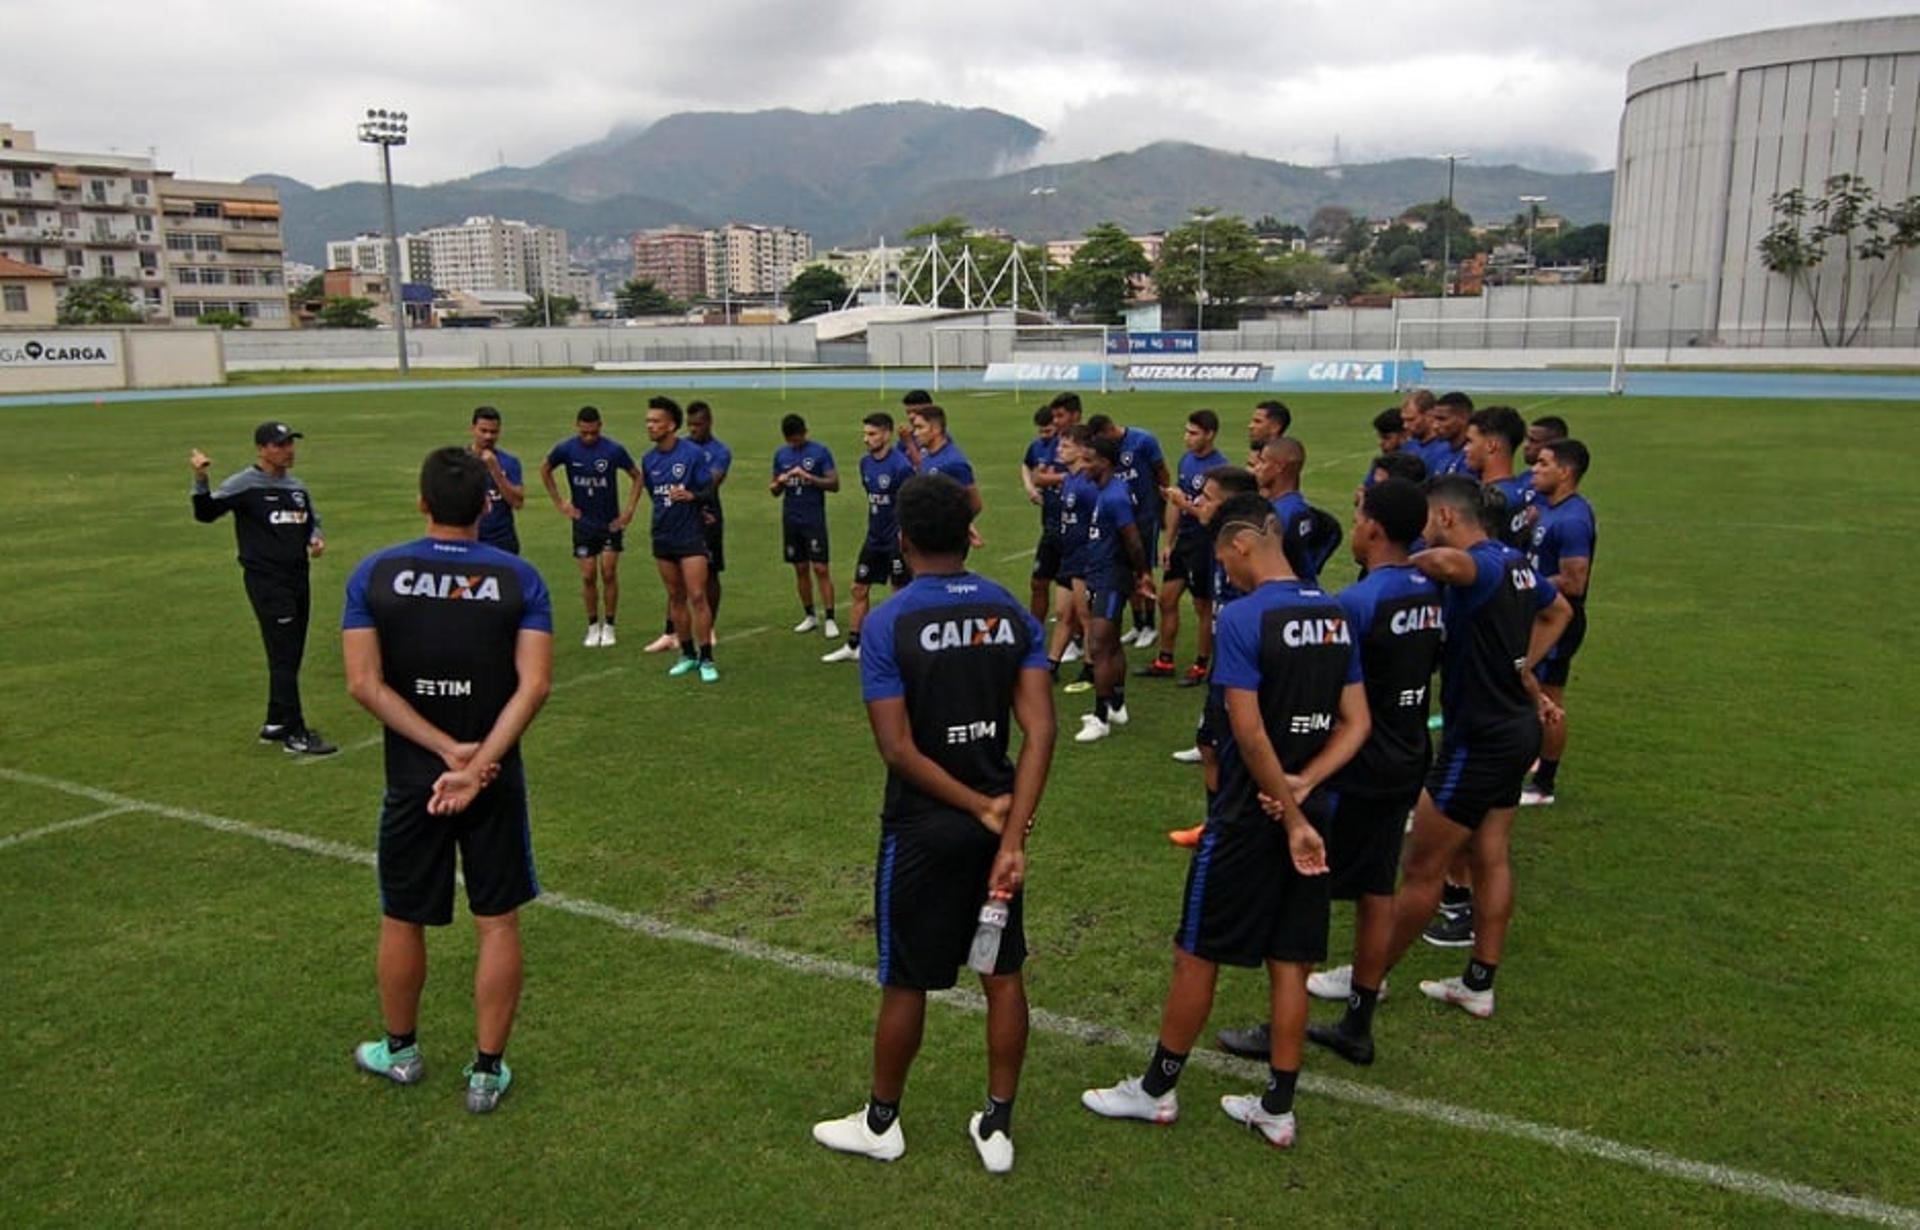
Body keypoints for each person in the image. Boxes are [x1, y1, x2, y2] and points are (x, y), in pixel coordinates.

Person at [1081, 491, 1368, 1150]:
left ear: (1241, 545)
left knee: (1197, 951)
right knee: (1290, 961)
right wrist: (1306, 788)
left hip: (1248, 817)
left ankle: (1156, 1090)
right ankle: (1278, 1105)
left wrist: (1286, 807)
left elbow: (1250, 731)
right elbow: (1359, 723)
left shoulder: (1243, 620)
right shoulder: (1334, 613)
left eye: (1222, 557)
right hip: (1313, 810)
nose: (1225, 572)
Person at [812, 472, 1055, 1174]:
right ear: (966, 534)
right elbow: (1041, 733)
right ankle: (998, 1126)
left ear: (904, 539)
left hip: (922, 828)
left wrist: (978, 808)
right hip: (998, 825)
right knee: (1002, 974)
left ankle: (882, 1122)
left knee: (907, 979)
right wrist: (1007, 834)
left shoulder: (889, 620)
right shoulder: (1011, 611)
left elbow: (897, 748)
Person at [342, 447, 553, 1114]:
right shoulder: (520, 579)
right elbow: (534, 685)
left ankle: (399, 1053)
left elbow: (363, 684)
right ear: (487, 505)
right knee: (497, 922)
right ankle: (487, 1072)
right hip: (493, 780)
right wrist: (480, 762)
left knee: (404, 917)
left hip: (414, 781)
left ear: (423, 503)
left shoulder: (375, 573)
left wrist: (443, 753)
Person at [1336, 477, 1570, 1056]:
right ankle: (1478, 984)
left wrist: (1397, 559)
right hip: (1516, 727)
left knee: (1422, 867)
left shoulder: (1481, 565)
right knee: (1489, 854)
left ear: (1443, 515)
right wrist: (1520, 667)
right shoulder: (1516, 562)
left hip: (1480, 740)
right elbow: (1557, 610)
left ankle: (1370, 976)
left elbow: (1448, 563)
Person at [1217, 479, 1445, 1063]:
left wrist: (1303, 781)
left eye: (1358, 512)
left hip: (1352, 768)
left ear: (1372, 528)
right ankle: (1357, 1020)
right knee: (1376, 887)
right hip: (1408, 753)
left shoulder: (1358, 603)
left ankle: (1281, 1029)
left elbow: (1335, 695)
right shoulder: (1429, 589)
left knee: (1302, 900)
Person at [190, 421, 336, 756]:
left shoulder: (297, 487)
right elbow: (206, 513)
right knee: (284, 654)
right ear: (262, 449)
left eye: (290, 443)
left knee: (291, 653)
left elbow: (312, 520)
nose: (289, 450)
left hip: (298, 579)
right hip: (267, 582)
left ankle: (275, 721)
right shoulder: (245, 485)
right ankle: (295, 732)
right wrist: (200, 479)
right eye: (281, 444)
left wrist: (315, 536)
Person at [1165, 464, 1261, 843]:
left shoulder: (1251, 552)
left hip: (1243, 664)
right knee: (1210, 743)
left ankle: (1235, 826)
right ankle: (1218, 822)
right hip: (1225, 663)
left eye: (1206, 498)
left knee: (1240, 748)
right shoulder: (1218, 536)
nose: (1197, 503)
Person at [1522, 439, 1596, 807]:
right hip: (1538, 616)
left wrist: (1522, 583)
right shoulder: (1545, 507)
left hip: (1559, 621)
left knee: (1548, 697)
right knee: (1524, 686)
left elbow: (1574, 580)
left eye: (1544, 464)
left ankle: (1545, 784)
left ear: (1565, 472)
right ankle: (1527, 761)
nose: (1534, 468)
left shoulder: (1573, 519)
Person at [1069, 430, 1152, 744]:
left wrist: (1141, 574)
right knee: (1112, 644)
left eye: (1088, 460)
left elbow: (1132, 538)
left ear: (1104, 463)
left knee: (1100, 646)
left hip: (1110, 579)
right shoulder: (1105, 490)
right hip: (1099, 575)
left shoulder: (1115, 496)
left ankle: (1100, 717)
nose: (1083, 465)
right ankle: (1116, 704)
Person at [539, 406, 642, 648]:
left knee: (608, 572)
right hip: (583, 523)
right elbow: (545, 469)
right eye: (584, 433)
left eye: (593, 433)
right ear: (577, 427)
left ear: (600, 427)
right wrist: (560, 503)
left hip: (610, 523)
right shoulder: (566, 449)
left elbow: (637, 476)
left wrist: (628, 512)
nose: (589, 437)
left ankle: (610, 625)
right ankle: (592, 626)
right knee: (587, 576)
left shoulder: (613, 450)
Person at [824, 413, 918, 663]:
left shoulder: (901, 467)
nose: (866, 439)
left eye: (872, 434)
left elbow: (910, 504)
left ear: (887, 435)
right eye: (865, 434)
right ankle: (854, 644)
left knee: (899, 592)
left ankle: (900, 645)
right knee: (858, 588)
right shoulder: (865, 463)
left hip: (896, 541)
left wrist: (904, 536)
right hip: (874, 537)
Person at [639, 397, 719, 683]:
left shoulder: (692, 454)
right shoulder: (648, 460)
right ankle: (686, 654)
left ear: (671, 425)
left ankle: (706, 658)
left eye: (655, 421)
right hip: (662, 535)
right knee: (675, 597)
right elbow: (654, 494)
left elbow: (708, 491)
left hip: (690, 536)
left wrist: (692, 497)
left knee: (697, 596)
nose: (650, 426)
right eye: (648, 421)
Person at [1143, 409, 1226, 683]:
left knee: (1203, 606)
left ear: (1210, 434)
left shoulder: (1220, 469)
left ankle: (1201, 665)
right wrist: (1169, 543)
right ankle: (1165, 660)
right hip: (1184, 543)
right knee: (1166, 600)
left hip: (1205, 544)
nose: (1186, 438)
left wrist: (1183, 504)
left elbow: (1211, 515)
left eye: (1193, 433)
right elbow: (1174, 505)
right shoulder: (1186, 461)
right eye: (1186, 431)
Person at [1090, 413, 1170, 646]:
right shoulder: (1109, 462)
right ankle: (1137, 624)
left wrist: (1163, 507)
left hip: (1145, 515)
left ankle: (1150, 624)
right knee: (1128, 568)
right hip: (1122, 517)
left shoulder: (1143, 440)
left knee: (1144, 568)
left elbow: (1162, 473)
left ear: (1108, 430)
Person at [770, 413, 841, 638]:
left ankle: (830, 618)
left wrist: (809, 477)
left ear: (805, 432)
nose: (795, 443)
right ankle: (810, 615)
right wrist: (778, 483)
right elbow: (773, 490)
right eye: (790, 440)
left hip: (813, 518)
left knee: (820, 568)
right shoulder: (781, 455)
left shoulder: (820, 452)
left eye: (798, 438)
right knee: (800, 568)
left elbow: (834, 483)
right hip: (791, 519)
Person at [1253, 437, 1340, 587]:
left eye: (1262, 462)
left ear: (1279, 467)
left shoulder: (1286, 513)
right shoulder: (1295, 507)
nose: (1257, 468)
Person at [908, 405, 985, 547]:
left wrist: (957, 525)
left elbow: (975, 503)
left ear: (936, 429)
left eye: (920, 427)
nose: (915, 433)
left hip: (945, 540)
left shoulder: (954, 462)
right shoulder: (926, 454)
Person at [1465, 405, 1536, 548]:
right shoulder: (1522, 493)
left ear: (1491, 446)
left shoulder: (1487, 500)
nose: (1465, 448)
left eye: (1470, 441)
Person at [1020, 406, 1066, 622]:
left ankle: (1076, 637)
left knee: (1071, 585)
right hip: (1050, 526)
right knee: (1038, 581)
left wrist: (1047, 479)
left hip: (1071, 528)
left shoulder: (1066, 447)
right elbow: (1028, 467)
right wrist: (1030, 487)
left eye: (1048, 431)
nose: (1043, 436)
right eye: (1041, 431)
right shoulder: (1040, 447)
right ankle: (1035, 628)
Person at [470, 407, 525, 555]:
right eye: (483, 431)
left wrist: (495, 470)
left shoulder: (509, 462)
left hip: (501, 541)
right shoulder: (460, 462)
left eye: (493, 432)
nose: (488, 436)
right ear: (473, 429)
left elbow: (517, 502)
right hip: (470, 540)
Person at [1423, 392, 1476, 477]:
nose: (1435, 426)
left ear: (1463, 418)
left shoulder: (1474, 457)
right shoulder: (1436, 451)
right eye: (1435, 419)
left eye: (1442, 419)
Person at [1360, 407, 1408, 493]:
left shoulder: (1413, 464)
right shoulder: (1381, 463)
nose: (1381, 443)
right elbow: (1365, 489)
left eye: (1386, 438)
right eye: (1379, 437)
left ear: (1404, 434)